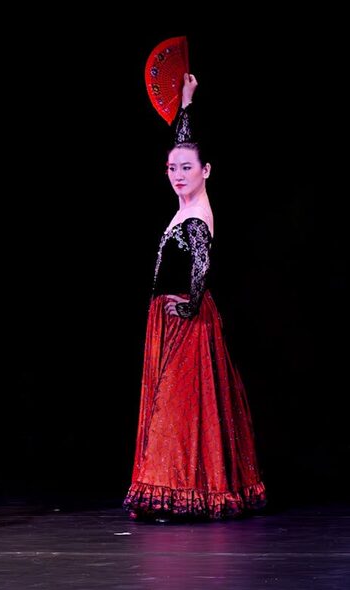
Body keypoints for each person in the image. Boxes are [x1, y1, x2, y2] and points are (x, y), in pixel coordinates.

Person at [123, 73, 266, 521]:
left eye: (187, 167)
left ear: (206, 171)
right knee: (174, 404)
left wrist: (187, 305)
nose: (178, 174)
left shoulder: (199, 215)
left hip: (188, 320)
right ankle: (183, 491)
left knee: (179, 407)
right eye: (172, 168)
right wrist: (184, 103)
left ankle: (181, 492)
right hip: (170, 318)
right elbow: (183, 144)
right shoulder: (185, 204)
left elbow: (202, 262)